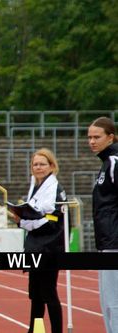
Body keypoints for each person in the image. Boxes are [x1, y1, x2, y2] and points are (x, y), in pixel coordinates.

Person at [11, 148, 65, 333]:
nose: (38, 167)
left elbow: (52, 220)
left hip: (49, 248)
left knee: (49, 293)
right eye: (35, 164)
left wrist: (23, 222)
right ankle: (35, 329)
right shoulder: (35, 185)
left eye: (42, 164)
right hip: (35, 246)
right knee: (35, 294)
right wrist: (22, 218)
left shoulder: (55, 189)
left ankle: (57, 331)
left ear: (51, 166)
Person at [88, 116, 118, 333]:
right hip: (107, 241)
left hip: (114, 241)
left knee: (113, 302)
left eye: (96, 137)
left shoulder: (115, 162)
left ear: (111, 137)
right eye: (89, 137)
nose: (91, 141)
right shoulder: (107, 163)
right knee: (108, 303)